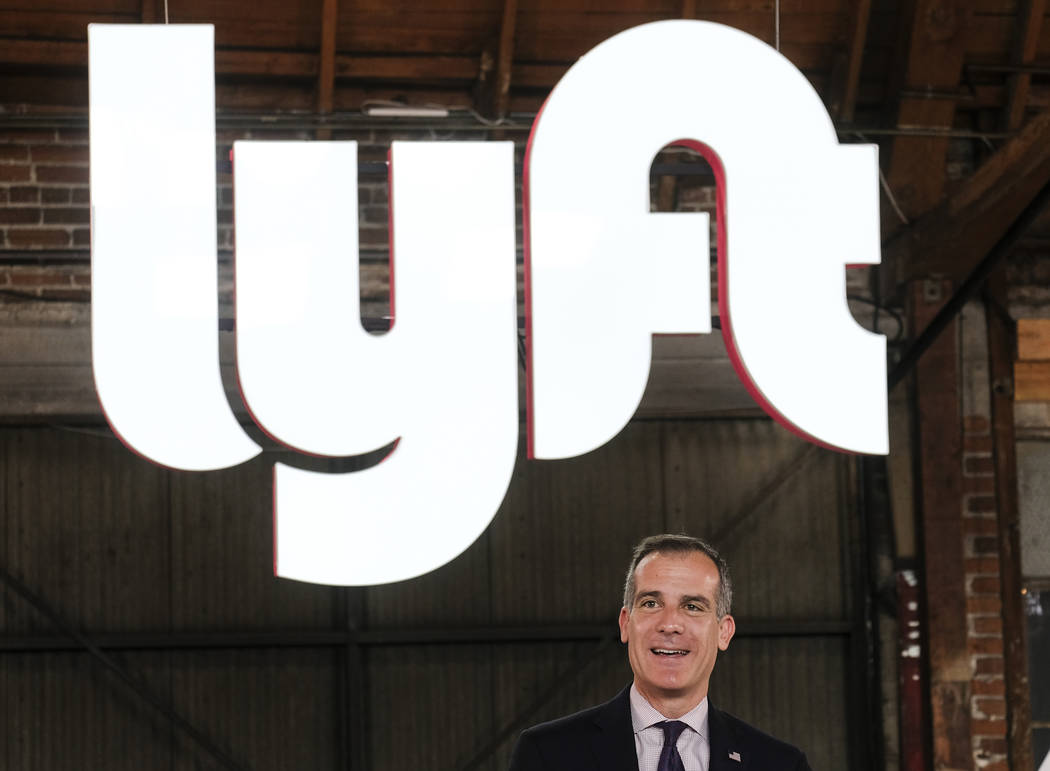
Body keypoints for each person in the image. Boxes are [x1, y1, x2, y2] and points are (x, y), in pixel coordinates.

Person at [508, 533, 812, 771]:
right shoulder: (547, 754)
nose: (670, 624)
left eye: (692, 607)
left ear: (724, 632)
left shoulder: (780, 764)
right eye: (651, 603)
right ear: (626, 624)